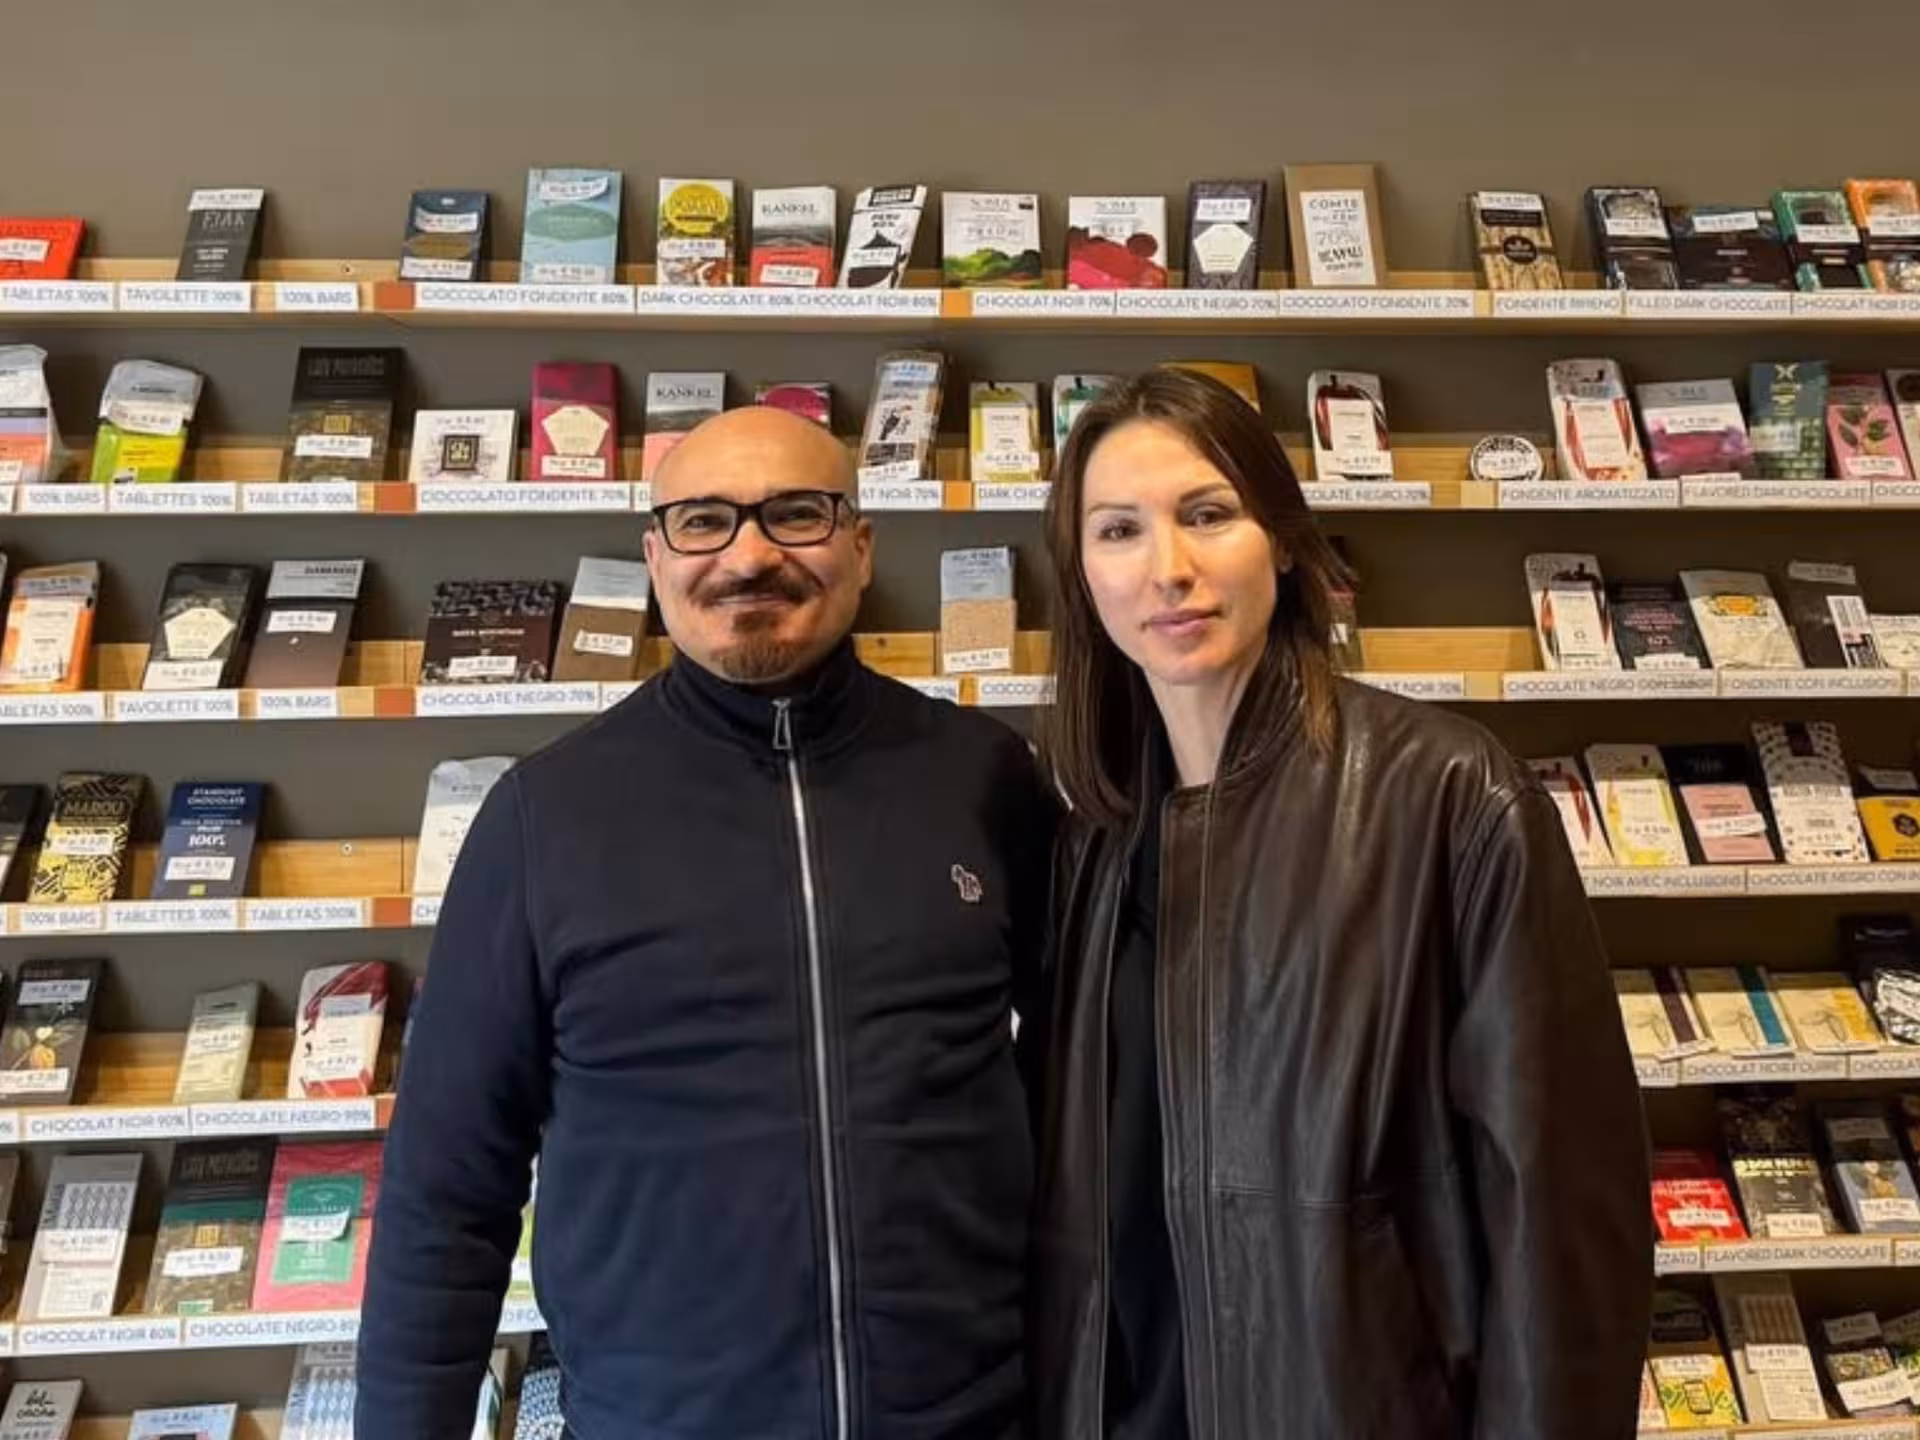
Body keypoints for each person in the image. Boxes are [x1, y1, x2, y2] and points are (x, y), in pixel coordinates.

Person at [358, 406, 1055, 1439]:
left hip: (978, 1414)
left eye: (797, 515)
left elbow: (1082, 1085)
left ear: (861, 547)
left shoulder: (983, 777)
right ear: (655, 556)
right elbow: (447, 1185)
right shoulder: (546, 817)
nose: (751, 554)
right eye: (704, 522)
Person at [1026, 369, 1652, 1440]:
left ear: (1280, 537)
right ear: (1082, 572)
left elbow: (1562, 1218)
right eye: (1118, 530)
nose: (1167, 570)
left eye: (1208, 516)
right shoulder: (1088, 827)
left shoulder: (1447, 796)